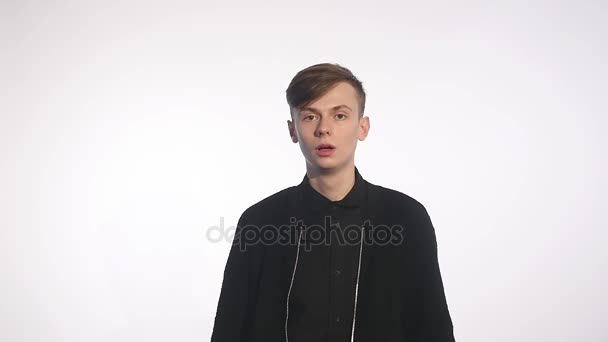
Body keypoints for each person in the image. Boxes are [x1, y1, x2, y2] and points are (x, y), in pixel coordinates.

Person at [210, 63, 455, 341]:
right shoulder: (260, 221)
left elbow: (432, 326)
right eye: (310, 117)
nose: (324, 129)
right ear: (293, 130)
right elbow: (229, 328)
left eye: (339, 115)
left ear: (363, 127)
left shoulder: (405, 216)